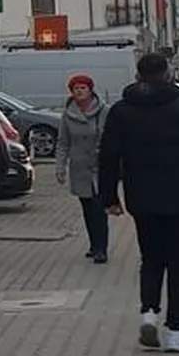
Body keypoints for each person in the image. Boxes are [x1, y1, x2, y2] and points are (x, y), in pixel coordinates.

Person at [98, 47, 179, 352]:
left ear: (138, 76)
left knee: (151, 258)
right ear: (167, 74)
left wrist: (109, 197)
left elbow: (108, 156)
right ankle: (176, 331)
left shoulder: (120, 111)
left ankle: (149, 313)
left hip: (141, 199)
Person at [55, 71, 109, 262]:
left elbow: (110, 137)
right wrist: (60, 167)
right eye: (76, 89)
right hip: (79, 168)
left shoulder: (103, 111)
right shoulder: (68, 114)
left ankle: (102, 248)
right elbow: (63, 143)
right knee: (87, 208)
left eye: (83, 88)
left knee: (99, 209)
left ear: (90, 90)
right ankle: (94, 245)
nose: (80, 92)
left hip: (98, 167)